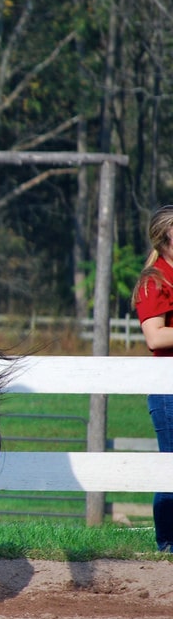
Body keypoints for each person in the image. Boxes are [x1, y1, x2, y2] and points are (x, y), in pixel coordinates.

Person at [132, 205, 173, 553]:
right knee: (170, 466)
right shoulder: (154, 281)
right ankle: (167, 543)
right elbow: (155, 338)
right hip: (168, 386)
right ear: (166, 238)